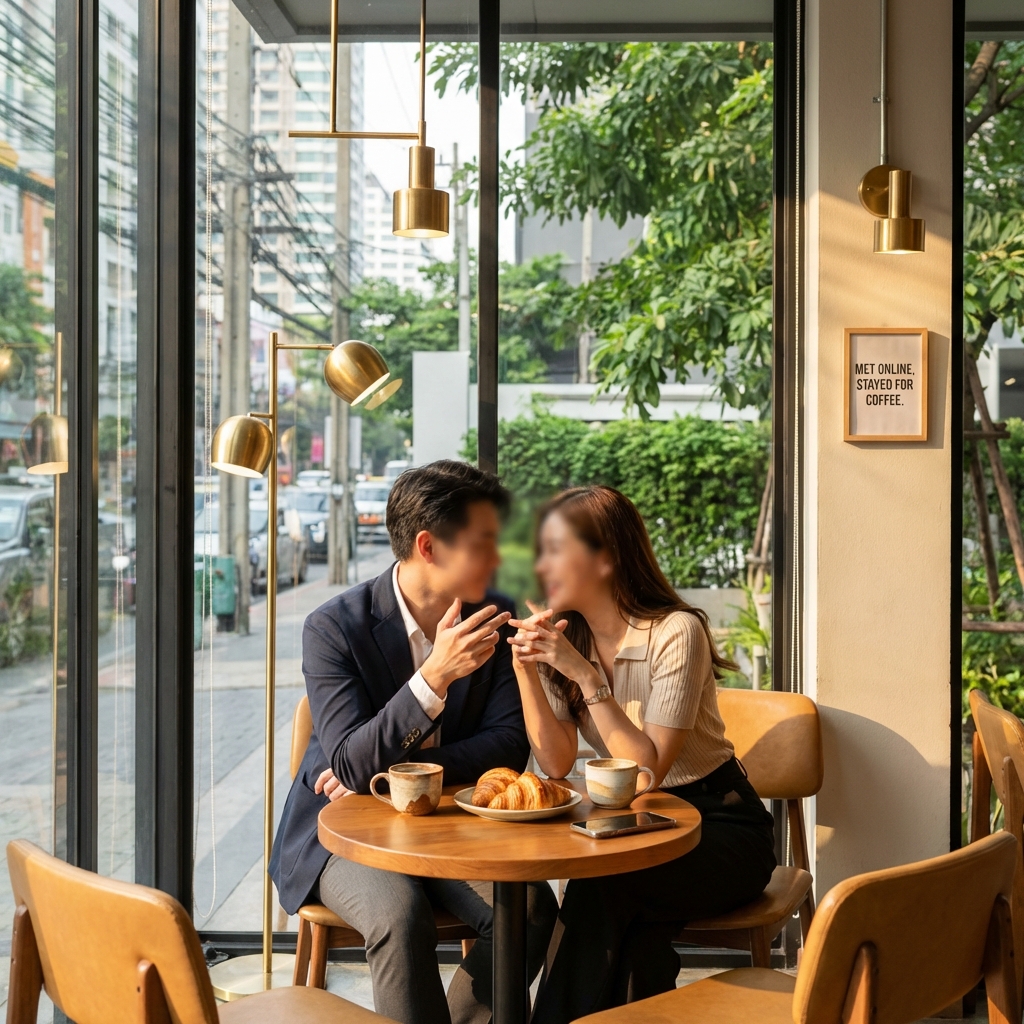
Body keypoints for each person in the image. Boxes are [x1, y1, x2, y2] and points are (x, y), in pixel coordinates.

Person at [269, 460, 558, 1024]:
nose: (499, 560)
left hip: (452, 823)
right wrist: (432, 680)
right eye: (485, 544)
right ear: (428, 546)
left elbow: (506, 748)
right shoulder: (335, 628)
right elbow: (349, 764)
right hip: (343, 832)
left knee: (532, 909)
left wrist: (396, 771)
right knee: (400, 915)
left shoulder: (491, 617)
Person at [507, 485, 776, 1022]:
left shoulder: (677, 631)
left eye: (557, 549)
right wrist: (526, 670)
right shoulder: (569, 638)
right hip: (633, 828)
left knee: (603, 890)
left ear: (606, 557)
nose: (542, 564)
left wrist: (584, 677)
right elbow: (556, 763)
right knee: (637, 948)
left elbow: (648, 771)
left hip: (717, 824)